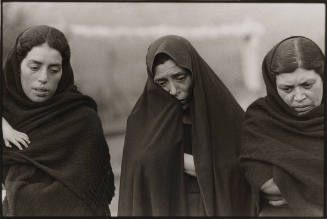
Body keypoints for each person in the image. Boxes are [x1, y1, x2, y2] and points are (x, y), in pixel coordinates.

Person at [118, 35, 255, 216]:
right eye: (162, 83)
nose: (173, 90)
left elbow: (245, 171)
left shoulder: (225, 116)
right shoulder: (140, 123)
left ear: (194, 72)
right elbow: (136, 179)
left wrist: (176, 160)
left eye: (180, 77)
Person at [2, 25, 115, 216]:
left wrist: (13, 194)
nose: (43, 78)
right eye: (35, 67)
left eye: (54, 69)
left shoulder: (83, 120)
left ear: (64, 71)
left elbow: (87, 196)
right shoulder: (6, 115)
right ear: (17, 67)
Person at [240, 36, 324, 216]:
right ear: (273, 86)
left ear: (323, 78)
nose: (299, 96)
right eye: (287, 89)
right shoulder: (260, 119)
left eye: (307, 85)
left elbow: (279, 186)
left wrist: (294, 191)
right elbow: (264, 182)